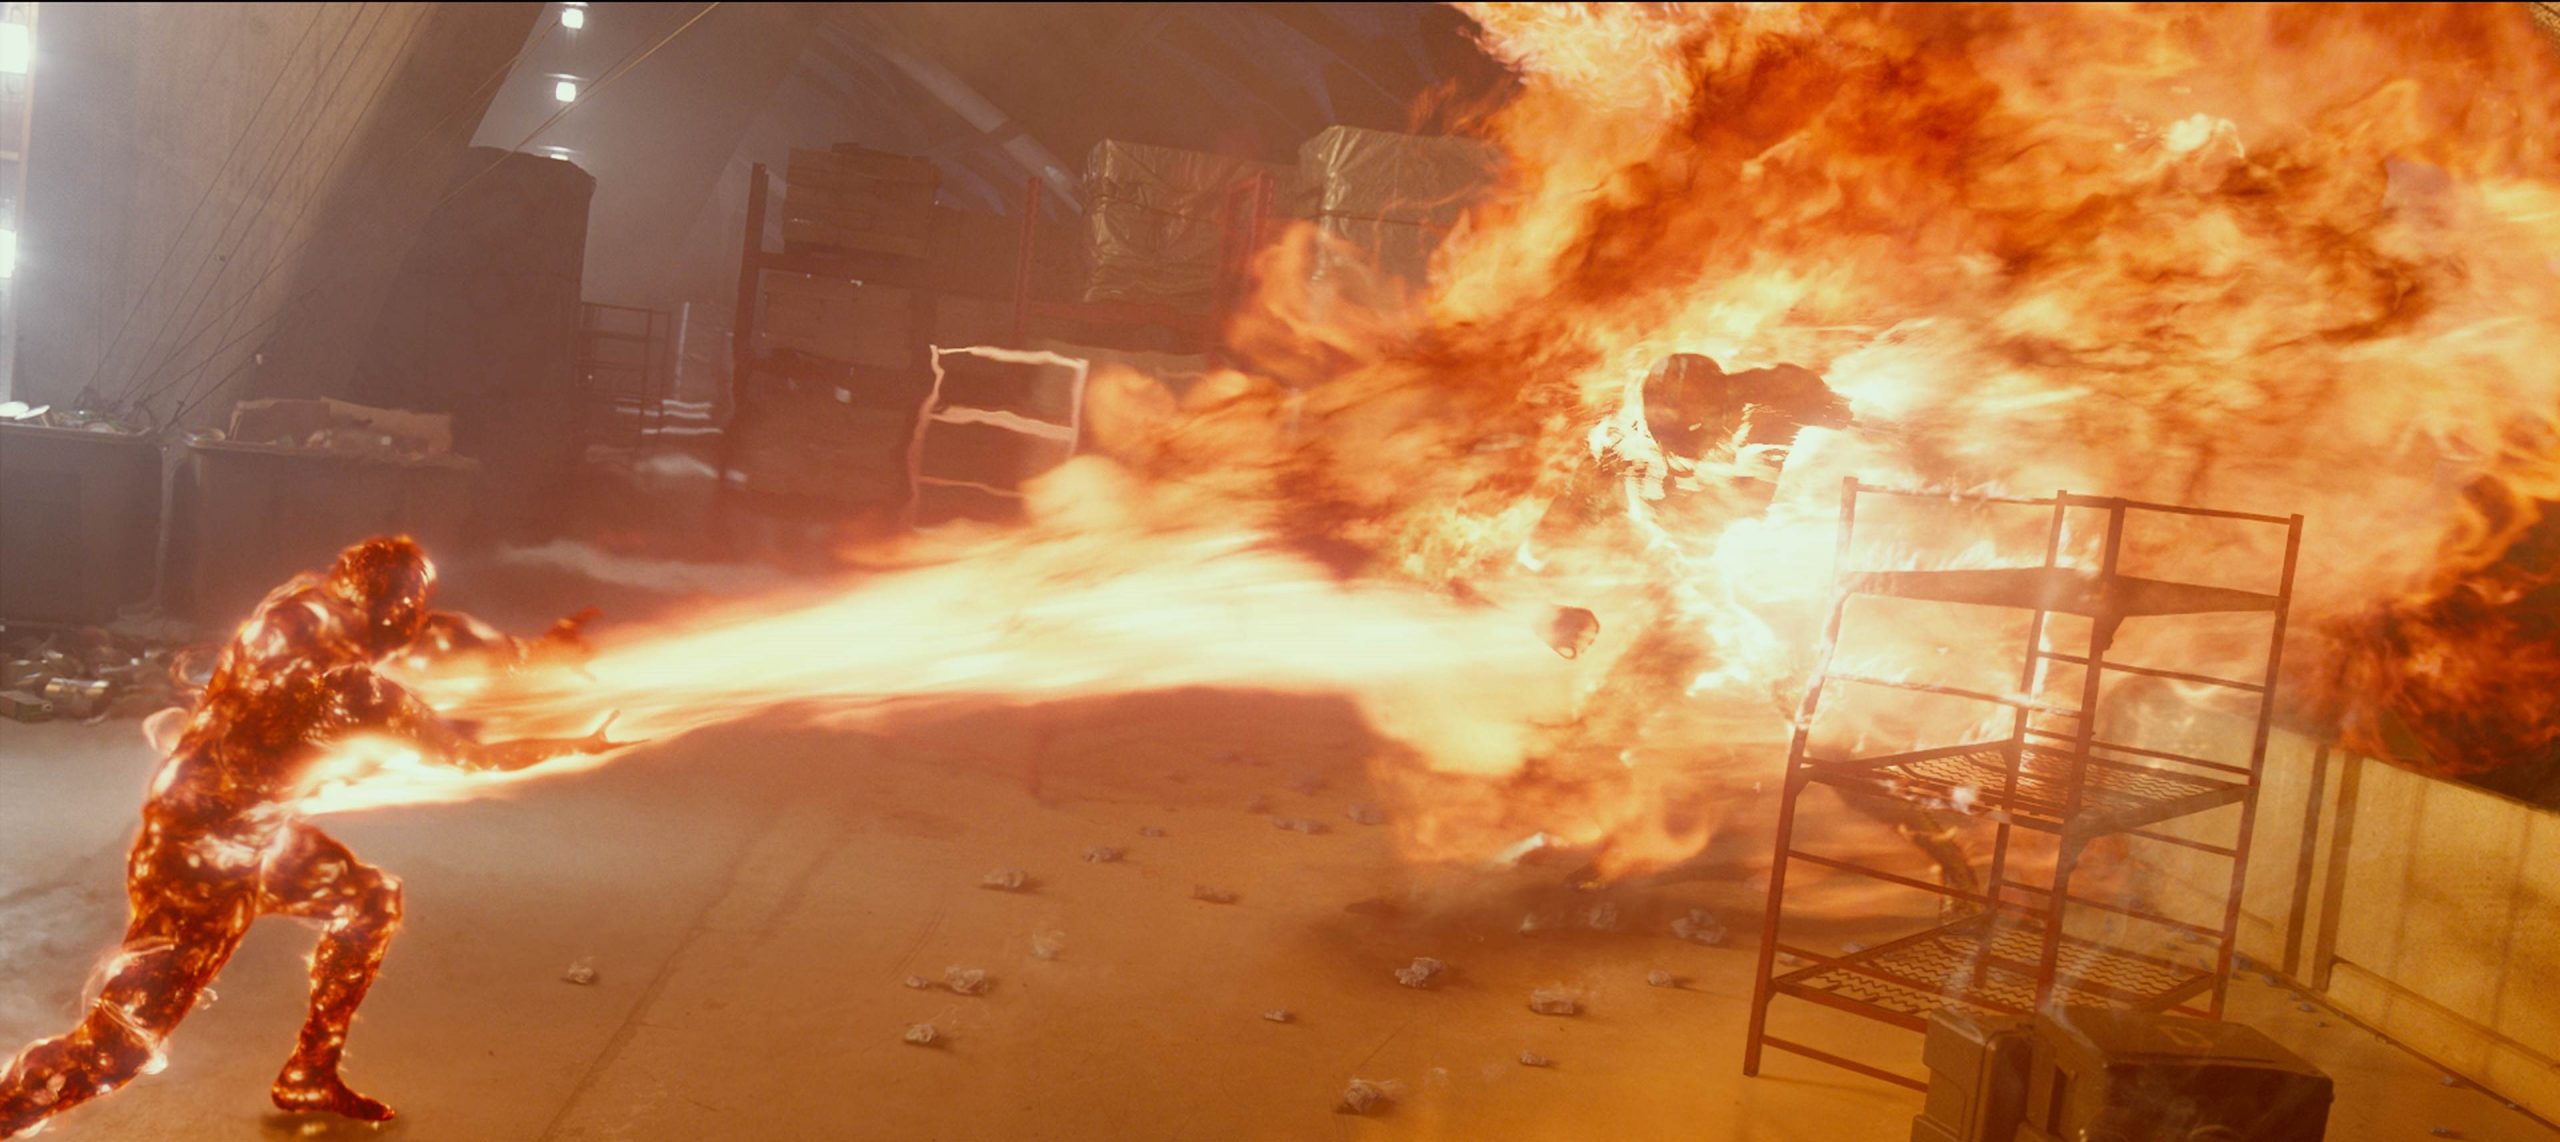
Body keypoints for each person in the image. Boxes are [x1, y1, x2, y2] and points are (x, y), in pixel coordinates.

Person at [0, 537, 618, 1136]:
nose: (419, 620)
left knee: (369, 901)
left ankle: (309, 1073)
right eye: (411, 606)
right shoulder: (356, 691)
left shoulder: (297, 607)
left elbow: (437, 632)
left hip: (237, 830)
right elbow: (467, 755)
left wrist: (533, 653)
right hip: (200, 866)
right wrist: (579, 744)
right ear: (387, 610)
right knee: (117, 1051)